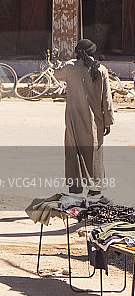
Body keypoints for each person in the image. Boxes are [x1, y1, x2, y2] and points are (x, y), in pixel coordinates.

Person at [54, 39, 114, 196]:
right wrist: (108, 122)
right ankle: (95, 190)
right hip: (94, 121)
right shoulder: (101, 69)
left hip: (74, 119)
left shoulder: (70, 67)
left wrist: (69, 60)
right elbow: (106, 99)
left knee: (73, 152)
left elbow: (56, 73)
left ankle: (75, 188)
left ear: (78, 53)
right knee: (94, 154)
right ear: (93, 52)